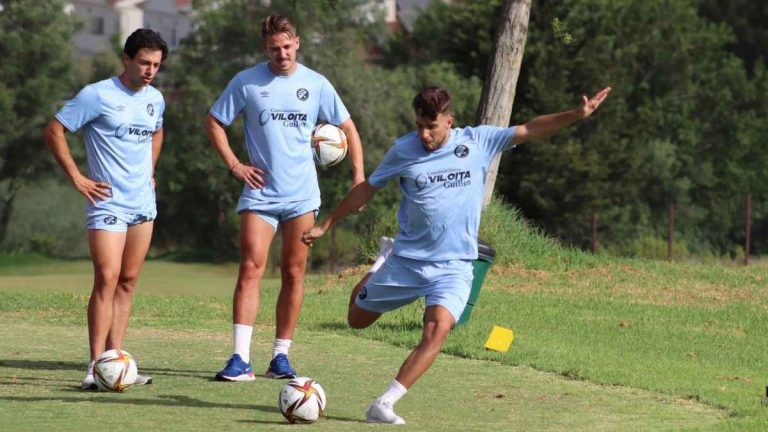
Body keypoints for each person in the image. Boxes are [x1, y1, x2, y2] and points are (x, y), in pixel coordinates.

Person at [302, 85, 611, 423]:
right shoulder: (404, 149)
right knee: (356, 320)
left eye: (430, 126)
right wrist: (326, 224)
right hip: (407, 262)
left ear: (450, 121)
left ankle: (385, 403)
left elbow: (530, 129)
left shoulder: (478, 141)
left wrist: (575, 115)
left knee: (438, 329)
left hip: (455, 265)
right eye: (419, 124)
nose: (423, 134)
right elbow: (367, 190)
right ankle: (381, 262)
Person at [205, 14, 364, 381]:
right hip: (259, 194)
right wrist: (234, 165)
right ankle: (239, 359)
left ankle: (280, 358)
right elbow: (214, 121)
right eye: (274, 48)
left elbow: (348, 129)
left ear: (297, 43)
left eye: (287, 46)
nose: (282, 54)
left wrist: (358, 174)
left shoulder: (317, 84)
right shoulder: (246, 82)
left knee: (294, 273)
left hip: (301, 197)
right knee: (251, 268)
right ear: (265, 49)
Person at [43, 29, 169, 390]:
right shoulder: (96, 94)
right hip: (107, 202)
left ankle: (117, 363)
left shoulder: (155, 99)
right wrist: (77, 178)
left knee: (128, 283)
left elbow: (157, 132)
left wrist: (150, 169)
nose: (149, 71)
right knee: (107, 279)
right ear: (127, 59)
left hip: (143, 204)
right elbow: (54, 131)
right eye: (144, 62)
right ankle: (94, 366)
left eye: (156, 65)